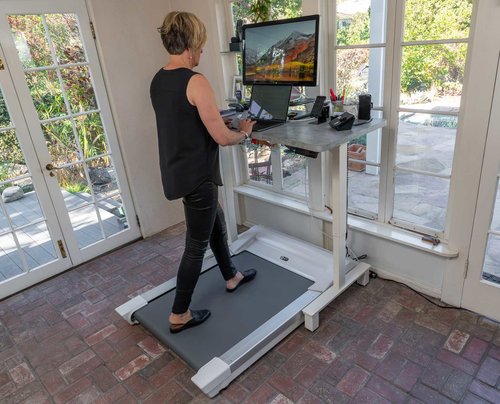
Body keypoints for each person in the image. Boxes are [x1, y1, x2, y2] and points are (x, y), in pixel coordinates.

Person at [150, 11, 257, 334]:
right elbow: (223, 139)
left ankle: (231, 276)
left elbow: (183, 123)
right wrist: (245, 132)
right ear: (191, 44)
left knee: (216, 226)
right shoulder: (195, 80)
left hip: (178, 171)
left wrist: (216, 121)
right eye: (201, 46)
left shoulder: (159, 79)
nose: (202, 53)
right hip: (199, 176)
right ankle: (178, 313)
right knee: (196, 245)